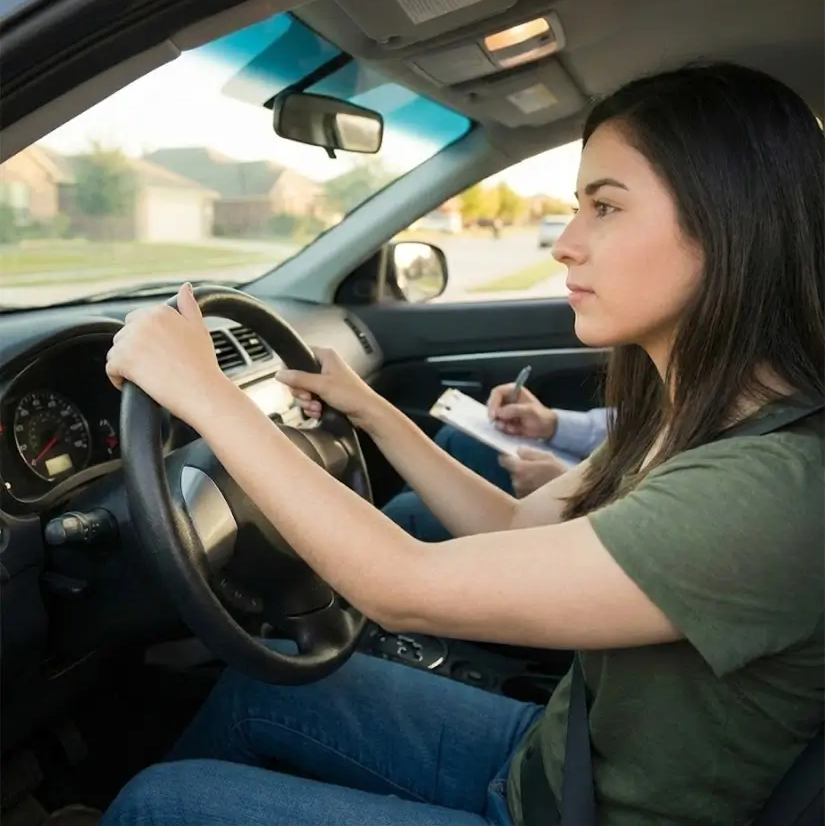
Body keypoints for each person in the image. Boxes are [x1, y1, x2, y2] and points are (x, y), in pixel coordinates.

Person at [102, 63, 823, 826]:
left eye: (604, 207)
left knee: (158, 805)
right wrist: (373, 411)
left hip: (578, 812)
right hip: (555, 766)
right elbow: (516, 529)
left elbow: (398, 587)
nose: (565, 245)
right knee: (264, 688)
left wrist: (206, 397)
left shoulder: (766, 490)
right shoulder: (686, 420)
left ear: (731, 227)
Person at [382, 396, 610, 542]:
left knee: (405, 515)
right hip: (603, 476)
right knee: (458, 439)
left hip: (600, 524)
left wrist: (574, 492)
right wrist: (553, 424)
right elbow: (629, 424)